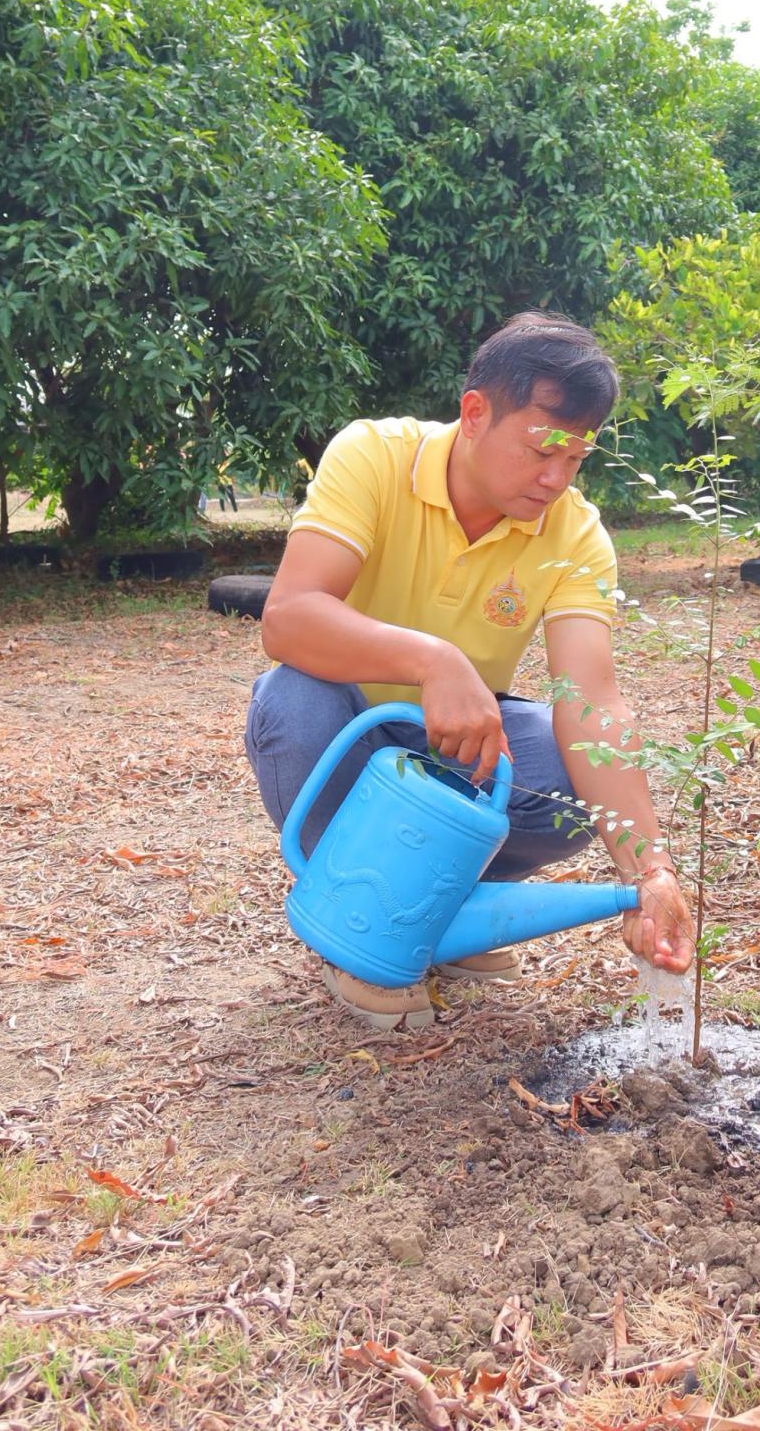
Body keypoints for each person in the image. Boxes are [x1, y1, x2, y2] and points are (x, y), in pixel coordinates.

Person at [245, 312, 695, 1032]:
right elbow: (289, 618)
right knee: (292, 700)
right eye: (542, 448)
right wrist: (431, 661)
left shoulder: (575, 533)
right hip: (347, 724)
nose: (556, 478)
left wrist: (651, 871)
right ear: (476, 413)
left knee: (576, 774)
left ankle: (443, 907)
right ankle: (364, 922)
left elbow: (593, 699)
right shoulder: (374, 456)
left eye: (577, 458)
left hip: (458, 748)